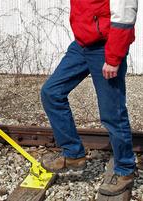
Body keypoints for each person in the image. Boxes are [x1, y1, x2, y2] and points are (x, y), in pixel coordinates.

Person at [40, 0, 138, 196]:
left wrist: (113, 57)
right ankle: (73, 154)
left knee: (112, 113)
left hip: (106, 46)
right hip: (82, 44)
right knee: (51, 92)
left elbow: (125, 14)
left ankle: (125, 170)